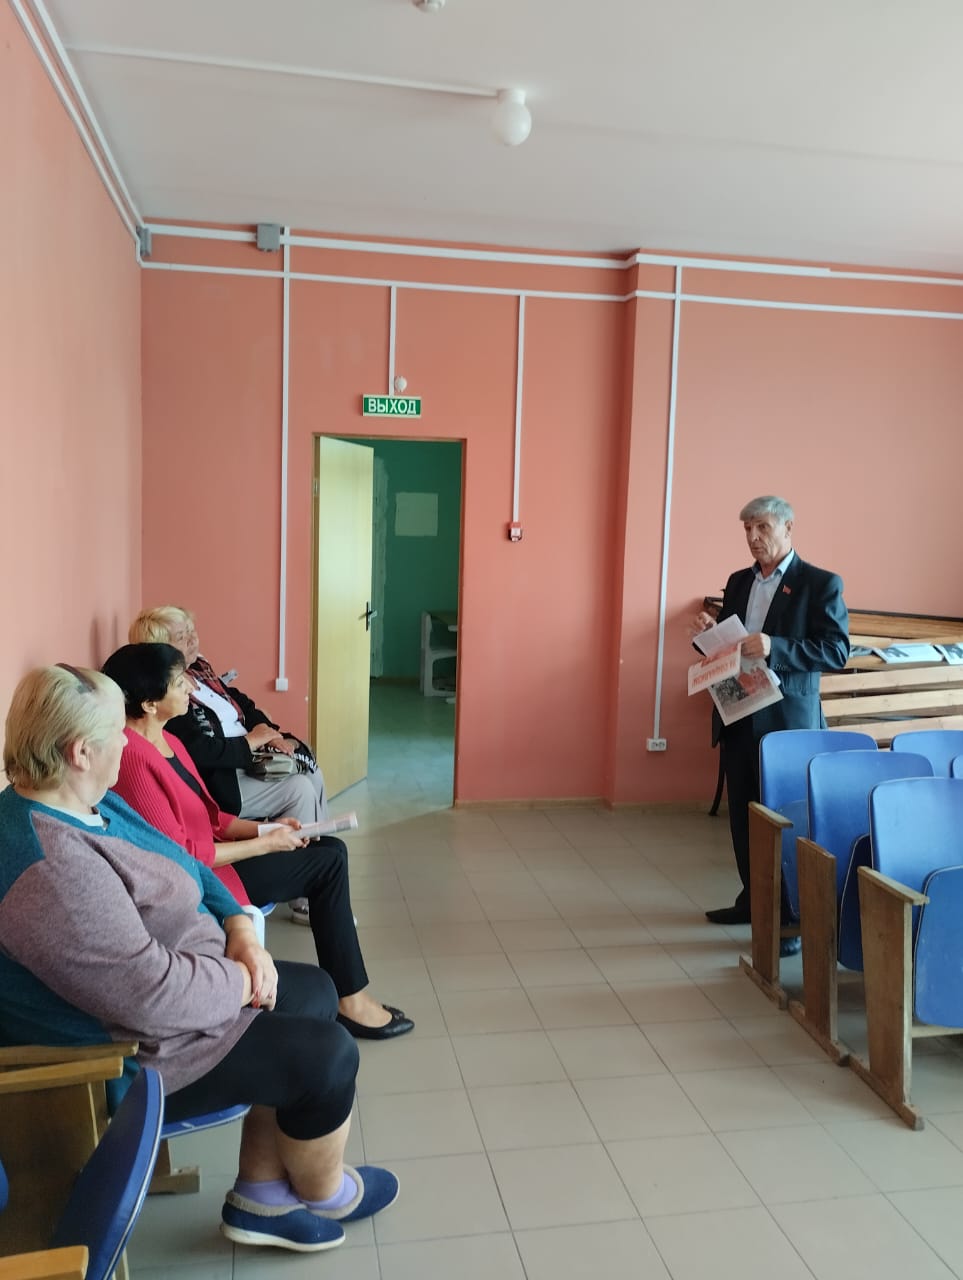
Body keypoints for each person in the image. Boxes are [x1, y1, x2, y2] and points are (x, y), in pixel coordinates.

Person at [0, 664, 400, 1253]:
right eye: (116, 734)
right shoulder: (50, 871)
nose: (127, 745)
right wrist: (242, 980)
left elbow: (184, 861)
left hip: (185, 992)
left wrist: (240, 929)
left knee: (315, 992)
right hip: (134, 1056)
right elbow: (150, 998)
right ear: (80, 751)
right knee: (328, 1055)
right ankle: (324, 1188)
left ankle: (262, 1196)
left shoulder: (84, 801)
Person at [101, 643, 413, 1041]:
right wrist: (267, 845)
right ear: (148, 704)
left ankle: (348, 995)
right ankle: (350, 1001)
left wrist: (267, 829)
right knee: (329, 864)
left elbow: (213, 817)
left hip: (221, 859)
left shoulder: (169, 741)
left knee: (331, 850)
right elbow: (182, 857)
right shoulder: (133, 758)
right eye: (179, 683)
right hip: (208, 879)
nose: (190, 690)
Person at [691, 496, 849, 950]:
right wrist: (708, 636)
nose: (753, 537)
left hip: (786, 722)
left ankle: (788, 919)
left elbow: (837, 651)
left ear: (788, 527)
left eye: (762, 527)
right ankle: (752, 901)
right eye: (747, 529)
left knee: (782, 819)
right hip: (738, 711)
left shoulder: (820, 583)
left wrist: (776, 646)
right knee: (743, 817)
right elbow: (732, 647)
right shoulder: (739, 581)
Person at [128, 605, 323, 925]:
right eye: (183, 636)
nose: (193, 639)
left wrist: (268, 732)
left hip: (249, 756)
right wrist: (251, 742)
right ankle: (303, 886)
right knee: (299, 788)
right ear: (158, 649)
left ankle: (316, 858)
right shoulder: (168, 694)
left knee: (311, 771)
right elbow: (201, 752)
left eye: (192, 631)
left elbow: (240, 702)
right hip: (224, 775)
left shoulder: (199, 669)